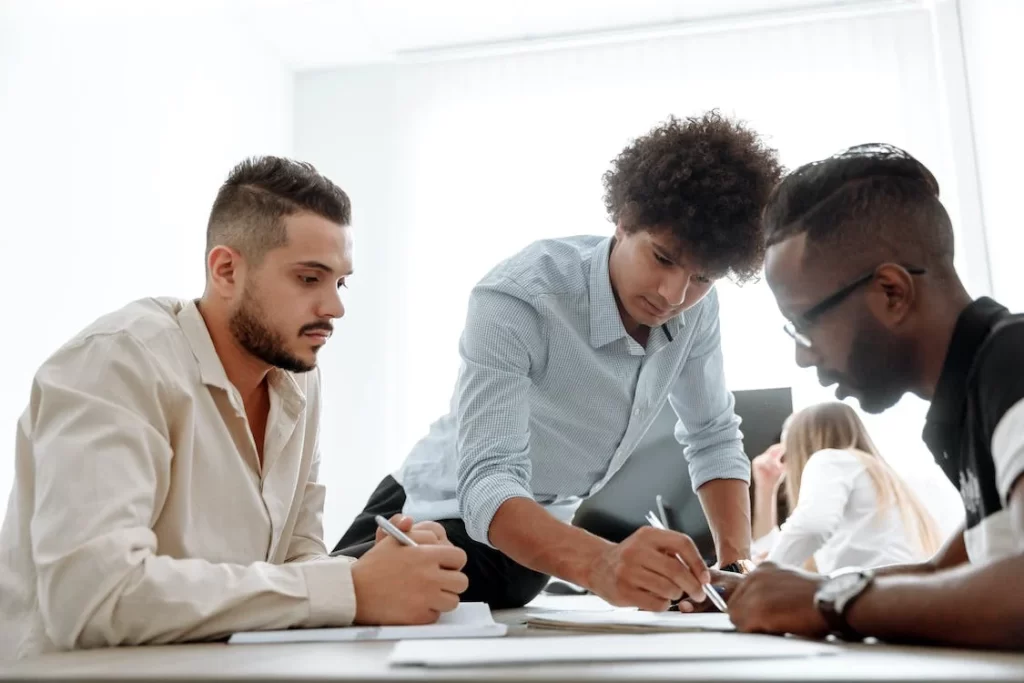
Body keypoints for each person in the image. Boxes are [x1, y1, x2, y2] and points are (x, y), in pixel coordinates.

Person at [0, 157, 468, 660]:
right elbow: (94, 598)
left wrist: (374, 570)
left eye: (340, 282)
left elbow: (294, 561)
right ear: (226, 270)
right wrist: (350, 588)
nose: (335, 308)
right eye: (310, 279)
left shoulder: (298, 380)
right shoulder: (115, 362)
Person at [334, 111, 784, 610]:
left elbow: (713, 435)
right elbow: (488, 482)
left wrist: (736, 574)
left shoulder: (698, 313)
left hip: (530, 548)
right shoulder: (519, 297)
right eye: (662, 258)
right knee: (310, 607)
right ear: (624, 220)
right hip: (434, 510)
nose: (674, 294)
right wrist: (603, 565)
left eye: (703, 278)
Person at [722, 143, 1024, 649]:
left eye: (805, 325)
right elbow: (935, 575)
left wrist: (825, 603)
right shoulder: (972, 399)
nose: (803, 357)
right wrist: (778, 590)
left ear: (891, 291)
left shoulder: (1012, 364)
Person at [750, 402, 941, 575]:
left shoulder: (829, 459)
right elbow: (781, 550)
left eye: (787, 451)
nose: (788, 463)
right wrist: (766, 489)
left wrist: (760, 578)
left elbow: (810, 527)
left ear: (801, 445)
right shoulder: (880, 477)